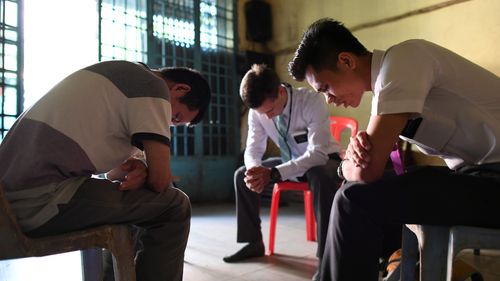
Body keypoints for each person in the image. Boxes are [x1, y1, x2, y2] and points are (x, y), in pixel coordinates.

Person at [288, 18, 500, 281]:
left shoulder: (404, 60)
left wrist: (345, 166)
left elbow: (367, 170)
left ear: (346, 61)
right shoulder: (385, 90)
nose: (329, 99)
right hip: (477, 178)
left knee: (354, 201)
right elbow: (367, 159)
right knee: (359, 200)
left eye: (326, 88)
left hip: (492, 180)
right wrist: (356, 158)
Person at [0, 60, 211, 281]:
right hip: (36, 201)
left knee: (137, 202)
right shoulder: (152, 86)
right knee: (175, 206)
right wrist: (150, 172)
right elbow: (160, 181)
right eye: (175, 117)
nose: (167, 122)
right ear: (180, 88)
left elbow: (114, 174)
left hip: (13, 199)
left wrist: (139, 168)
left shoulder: (124, 75)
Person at [223, 64, 342, 280]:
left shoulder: (311, 101)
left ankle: (326, 256)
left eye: (269, 111)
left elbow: (317, 154)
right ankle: (253, 242)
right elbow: (253, 148)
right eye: (262, 113)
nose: (267, 118)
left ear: (279, 91)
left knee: (319, 175)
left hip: (325, 161)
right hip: (290, 161)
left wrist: (275, 173)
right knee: (241, 175)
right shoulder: (257, 112)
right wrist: (254, 171)